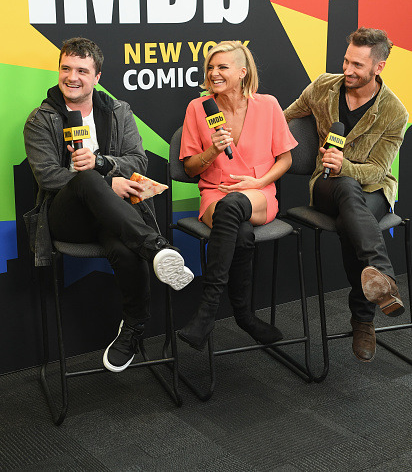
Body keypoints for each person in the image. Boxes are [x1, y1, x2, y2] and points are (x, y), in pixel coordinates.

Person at [24, 37, 194, 373]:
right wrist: (104, 182)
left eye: (82, 70)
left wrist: (103, 164)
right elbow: (48, 177)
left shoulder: (118, 111)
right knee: (84, 180)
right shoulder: (41, 119)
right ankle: (157, 247)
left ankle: (132, 329)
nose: (72, 77)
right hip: (66, 215)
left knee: (124, 243)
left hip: (113, 216)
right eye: (66, 68)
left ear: (97, 76)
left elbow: (138, 162)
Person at [284, 27, 409, 362]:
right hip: (327, 183)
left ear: (378, 67)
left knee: (351, 213)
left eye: (357, 65)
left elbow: (379, 171)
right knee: (347, 193)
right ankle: (378, 287)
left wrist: (346, 166)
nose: (348, 70)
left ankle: (366, 312)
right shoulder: (323, 87)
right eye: (346, 60)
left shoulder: (395, 112)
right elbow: (284, 120)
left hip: (373, 190)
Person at [178, 41, 297, 350]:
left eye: (222, 67)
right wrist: (211, 151)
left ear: (242, 72)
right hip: (214, 195)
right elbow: (190, 170)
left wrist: (258, 182)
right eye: (210, 68)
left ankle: (207, 311)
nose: (213, 73)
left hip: (258, 194)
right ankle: (244, 315)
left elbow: (285, 159)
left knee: (236, 207)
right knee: (239, 229)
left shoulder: (268, 105)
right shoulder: (197, 108)